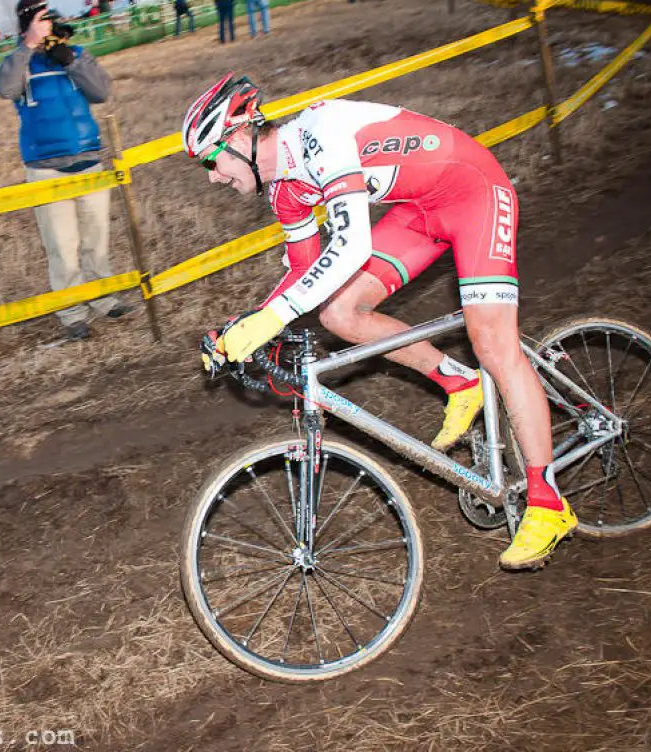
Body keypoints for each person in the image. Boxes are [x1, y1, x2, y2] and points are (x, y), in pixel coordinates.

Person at [185, 74, 576, 570]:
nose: (213, 178)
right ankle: (458, 381)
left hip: (473, 189)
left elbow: (351, 248)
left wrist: (271, 319)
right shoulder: (285, 192)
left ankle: (547, 503)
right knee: (339, 313)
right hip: (420, 208)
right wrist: (245, 326)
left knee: (493, 343)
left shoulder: (319, 135)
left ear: (238, 138)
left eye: (209, 161)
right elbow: (307, 273)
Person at [0, 0, 132, 341]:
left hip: (88, 159)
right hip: (46, 167)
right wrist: (28, 45)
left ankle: (104, 298)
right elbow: (4, 87)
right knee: (61, 243)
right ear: (27, 24)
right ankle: (72, 313)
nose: (49, 25)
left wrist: (72, 62)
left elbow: (101, 91)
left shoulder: (75, 53)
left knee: (96, 236)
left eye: (50, 19)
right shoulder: (19, 62)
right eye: (41, 20)